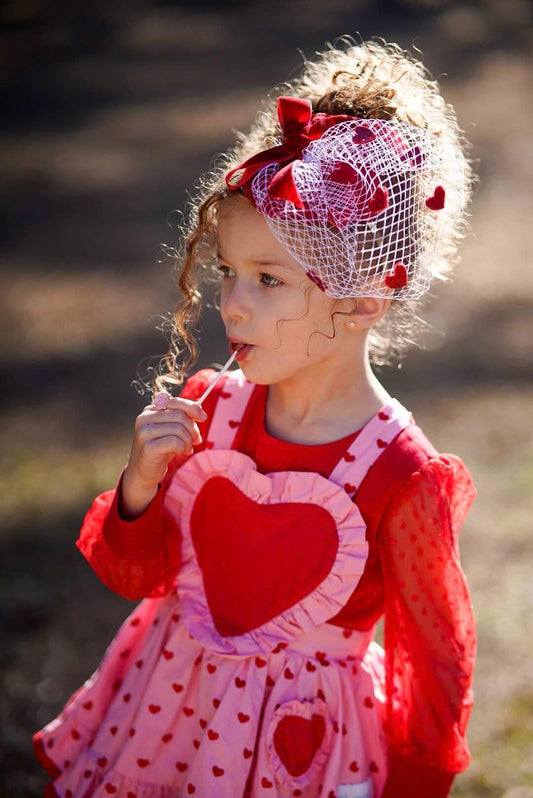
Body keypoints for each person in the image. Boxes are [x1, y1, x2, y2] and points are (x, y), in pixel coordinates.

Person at [34, 38, 477, 798]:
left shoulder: (400, 474)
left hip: (302, 745)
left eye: (269, 280)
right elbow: (133, 574)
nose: (233, 303)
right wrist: (140, 485)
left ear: (363, 300)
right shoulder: (216, 411)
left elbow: (433, 662)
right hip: (171, 715)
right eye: (229, 273)